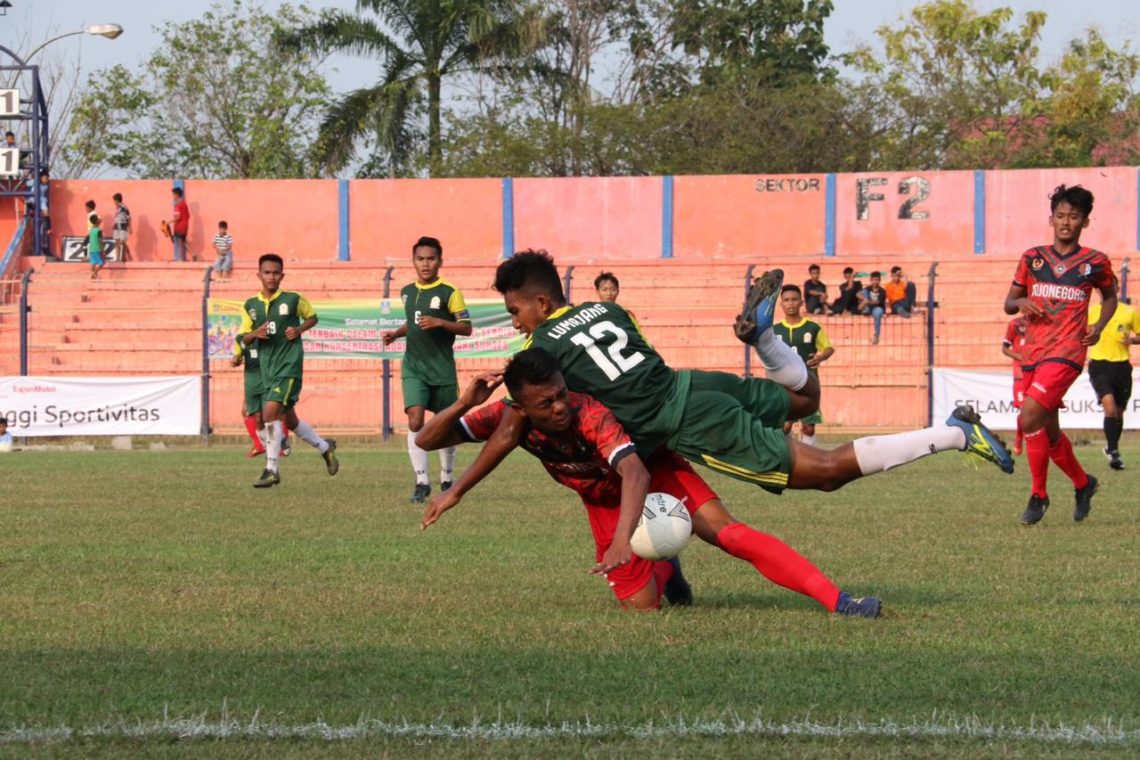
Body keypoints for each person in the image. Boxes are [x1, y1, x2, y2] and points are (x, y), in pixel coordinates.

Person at [478, 251, 1010, 505]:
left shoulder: (542, 347)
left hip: (689, 420)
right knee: (804, 399)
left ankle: (956, 432)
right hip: (694, 383)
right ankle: (765, 341)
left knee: (825, 471)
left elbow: (536, 409)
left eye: (514, 310)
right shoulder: (608, 311)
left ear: (541, 302)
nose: (514, 320)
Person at [417, 350, 882, 617]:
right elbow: (427, 437)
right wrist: (463, 402)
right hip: (600, 500)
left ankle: (839, 601)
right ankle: (667, 566)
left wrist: (624, 541)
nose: (560, 406)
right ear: (520, 405)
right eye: (546, 402)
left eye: (561, 394)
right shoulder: (506, 416)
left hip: (653, 471)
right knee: (641, 608)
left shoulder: (590, 413)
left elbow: (634, 471)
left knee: (730, 535)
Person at [1003, 184, 1117, 526]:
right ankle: (1084, 484)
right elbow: (1009, 303)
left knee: (1029, 417)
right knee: (1048, 432)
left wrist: (1098, 326)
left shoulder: (1095, 262)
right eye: (1061, 216)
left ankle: (1039, 494)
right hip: (1033, 353)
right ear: (1051, 219)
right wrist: (1021, 302)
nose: (1066, 222)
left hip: (1067, 352)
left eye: (1074, 217)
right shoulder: (1032, 258)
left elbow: (1109, 298)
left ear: (1085, 222)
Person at [381, 236, 472, 502]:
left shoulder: (449, 292)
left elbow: (466, 328)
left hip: (442, 370)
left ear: (439, 261)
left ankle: (446, 475)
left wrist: (441, 323)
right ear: (413, 261)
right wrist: (397, 334)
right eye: (420, 259)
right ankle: (422, 481)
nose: (425, 264)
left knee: (445, 427)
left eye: (431, 258)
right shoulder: (407, 291)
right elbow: (413, 322)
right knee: (415, 420)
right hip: (414, 367)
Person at [239, 253, 339, 487]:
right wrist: (255, 334)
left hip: (289, 367)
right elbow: (243, 337)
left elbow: (312, 317)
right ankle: (325, 448)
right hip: (267, 368)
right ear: (259, 275)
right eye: (267, 273)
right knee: (290, 420)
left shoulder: (293, 299)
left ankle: (271, 469)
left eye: (276, 273)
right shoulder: (250, 305)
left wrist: (299, 329)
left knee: (270, 414)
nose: (271, 277)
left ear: (282, 275)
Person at [774, 285, 834, 446]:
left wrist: (820, 357)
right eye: (786, 300)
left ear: (802, 302)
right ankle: (789, 459)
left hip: (809, 383)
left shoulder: (813, 328)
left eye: (794, 299)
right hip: (785, 384)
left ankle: (810, 462)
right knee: (785, 426)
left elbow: (828, 348)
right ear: (781, 304)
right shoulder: (775, 330)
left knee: (808, 427)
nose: (790, 303)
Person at [1087, 298, 1140, 471]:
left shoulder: (1129, 311)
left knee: (1118, 412)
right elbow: (1082, 332)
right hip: (1099, 364)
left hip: (1122, 366)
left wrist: (1132, 341)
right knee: (1109, 408)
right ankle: (1113, 451)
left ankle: (1112, 448)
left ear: (1114, 289)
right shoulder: (1093, 312)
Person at [231, 339, 291, 459]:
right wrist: (236, 360)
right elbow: (237, 356)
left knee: (273, 413)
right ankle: (261, 445)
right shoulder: (243, 338)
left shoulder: (269, 336)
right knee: (249, 412)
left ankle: (281, 444)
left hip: (269, 378)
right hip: (253, 380)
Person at [1000, 316, 1030, 456]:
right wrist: (1020, 357)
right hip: (1020, 375)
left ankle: (1039, 442)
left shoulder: (1042, 322)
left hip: (1038, 372)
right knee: (1024, 411)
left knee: (1039, 412)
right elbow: (1005, 348)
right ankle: (1019, 438)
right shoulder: (1016, 324)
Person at [857, 271, 888, 344]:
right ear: (871, 280)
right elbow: (858, 294)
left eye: (877, 280)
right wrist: (863, 298)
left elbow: (877, 302)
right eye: (873, 280)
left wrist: (867, 302)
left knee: (878, 312)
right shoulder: (867, 289)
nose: (875, 282)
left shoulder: (882, 291)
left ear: (879, 280)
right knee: (864, 291)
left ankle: (876, 336)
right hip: (868, 307)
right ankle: (866, 310)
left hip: (877, 308)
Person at [169, 187, 190, 262]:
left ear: (177, 195)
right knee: (182, 241)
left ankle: (180, 258)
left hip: (180, 226)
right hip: (184, 225)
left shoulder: (179, 205)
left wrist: (169, 222)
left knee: (180, 242)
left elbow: (178, 217)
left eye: (174, 195)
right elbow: (188, 215)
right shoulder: (183, 203)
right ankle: (192, 254)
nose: (173, 197)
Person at [111, 193, 131, 262]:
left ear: (117, 200)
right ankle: (117, 258)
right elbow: (116, 217)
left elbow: (129, 218)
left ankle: (127, 256)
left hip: (123, 226)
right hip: (116, 226)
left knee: (122, 242)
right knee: (116, 242)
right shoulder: (117, 208)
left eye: (114, 201)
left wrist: (130, 227)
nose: (113, 202)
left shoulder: (124, 207)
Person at [87, 213, 104, 280]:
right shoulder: (99, 231)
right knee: (101, 263)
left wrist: (97, 219)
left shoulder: (91, 230)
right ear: (97, 221)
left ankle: (93, 276)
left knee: (93, 263)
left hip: (91, 249)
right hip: (97, 249)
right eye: (98, 219)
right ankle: (94, 273)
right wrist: (102, 250)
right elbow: (100, 241)